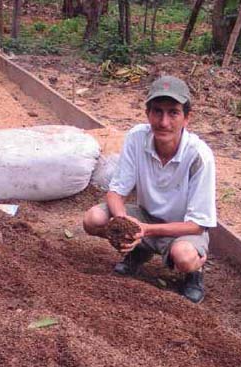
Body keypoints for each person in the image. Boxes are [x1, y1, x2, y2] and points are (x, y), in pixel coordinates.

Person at [83, 75, 216, 303]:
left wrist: (145, 230)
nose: (164, 122)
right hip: (144, 216)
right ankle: (139, 252)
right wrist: (124, 223)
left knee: (184, 257)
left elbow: (197, 224)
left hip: (181, 229)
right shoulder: (137, 138)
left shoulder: (198, 156)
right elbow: (116, 192)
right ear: (148, 114)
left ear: (186, 118)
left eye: (173, 112)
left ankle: (194, 273)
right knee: (93, 219)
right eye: (157, 112)